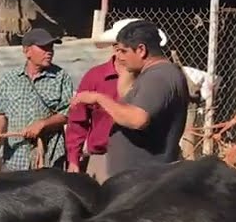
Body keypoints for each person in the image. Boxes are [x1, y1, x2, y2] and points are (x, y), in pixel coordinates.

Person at [73, 19, 189, 178]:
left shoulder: (158, 77)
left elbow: (137, 119)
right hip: (133, 180)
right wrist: (126, 71)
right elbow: (125, 98)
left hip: (143, 182)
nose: (118, 56)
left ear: (141, 50)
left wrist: (100, 98)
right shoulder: (149, 74)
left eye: (123, 51)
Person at [0, 28, 75, 171]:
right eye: (43, 47)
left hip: (48, 157)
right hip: (14, 157)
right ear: (27, 51)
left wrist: (43, 124)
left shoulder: (61, 77)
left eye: (51, 47)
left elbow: (68, 113)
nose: (49, 51)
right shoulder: (10, 79)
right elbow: (0, 114)